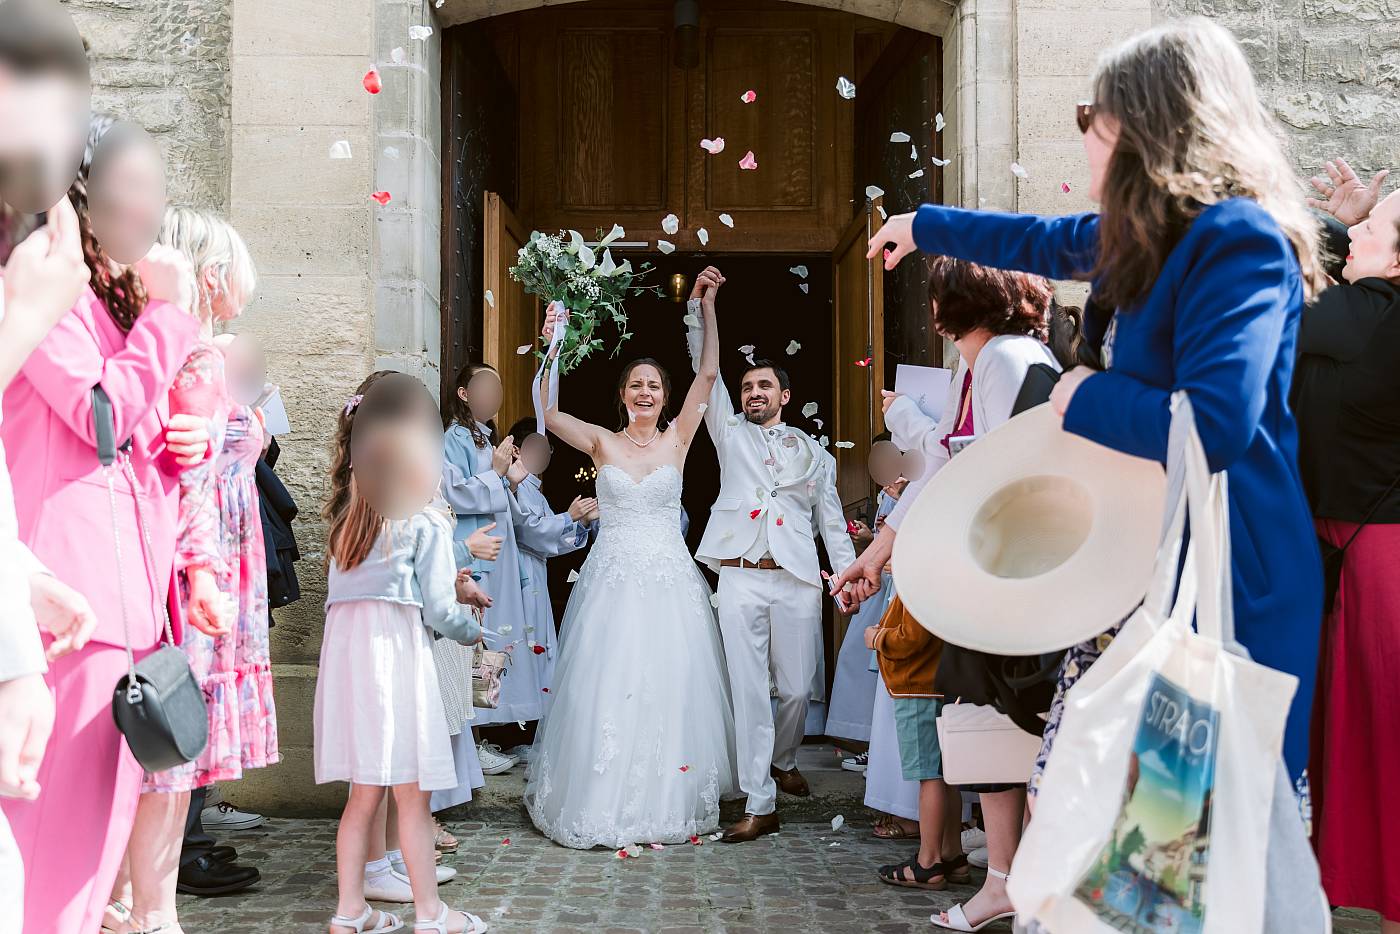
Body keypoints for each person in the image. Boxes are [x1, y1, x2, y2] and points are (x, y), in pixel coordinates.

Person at [860, 17, 1325, 793]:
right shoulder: (1145, 237)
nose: (1083, 135)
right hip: (1138, 568)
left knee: (1170, 857)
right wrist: (923, 225)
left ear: (1145, 125)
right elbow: (1039, 239)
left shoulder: (1238, 239)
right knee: (1097, 832)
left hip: (1218, 581)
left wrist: (1086, 397)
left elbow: (1214, 425)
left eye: (1090, 116)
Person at [1, 114, 206, 934]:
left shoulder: (111, 305)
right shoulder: (38, 285)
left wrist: (180, 439)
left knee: (93, 857)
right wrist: (170, 314)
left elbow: (130, 440)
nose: (152, 210)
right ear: (83, 189)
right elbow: (94, 418)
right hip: (64, 606)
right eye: (136, 187)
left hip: (128, 616)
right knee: (49, 855)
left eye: (160, 191)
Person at [523, 267, 737, 849]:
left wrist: (706, 308)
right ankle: (598, 801)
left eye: (655, 387)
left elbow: (711, 373)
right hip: (612, 582)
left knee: (669, 685)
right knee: (608, 684)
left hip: (670, 582)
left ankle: (667, 798)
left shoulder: (678, 440)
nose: (645, 393)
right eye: (636, 385)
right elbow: (546, 410)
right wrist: (554, 343)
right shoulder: (601, 441)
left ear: (665, 398)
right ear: (622, 395)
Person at [107, 209, 268, 930]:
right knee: (161, 750)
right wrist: (203, 574)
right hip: (185, 571)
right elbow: (187, 475)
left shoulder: (206, 351)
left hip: (214, 565)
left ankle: (148, 905)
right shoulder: (183, 352)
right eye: (234, 274)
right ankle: (141, 908)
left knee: (175, 754)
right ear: (210, 273)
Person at [681, 277, 857, 843]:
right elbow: (704, 376)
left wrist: (852, 572)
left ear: (784, 394)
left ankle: (784, 759)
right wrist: (701, 312)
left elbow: (830, 521)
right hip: (738, 577)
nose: (753, 392)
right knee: (750, 689)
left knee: (799, 686)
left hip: (798, 578)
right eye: (747, 385)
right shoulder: (728, 432)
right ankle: (761, 801)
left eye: (763, 386)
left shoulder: (815, 454)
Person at [315, 371, 489, 934]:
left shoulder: (346, 527)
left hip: (351, 674)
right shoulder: (422, 526)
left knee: (361, 799)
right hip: (397, 668)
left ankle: (349, 912)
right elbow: (439, 611)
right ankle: (431, 914)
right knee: (412, 799)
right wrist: (472, 630)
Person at [1293, 157, 1400, 931]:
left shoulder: (1361, 315)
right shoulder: (1362, 313)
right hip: (1353, 549)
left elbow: (1293, 307)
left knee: (1377, 734)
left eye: (1369, 228)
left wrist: (1334, 238)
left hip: (1373, 556)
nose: (1352, 232)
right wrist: (1358, 223)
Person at [440, 362, 531, 778]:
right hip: (473, 553)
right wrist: (495, 472)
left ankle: (478, 740)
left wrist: (510, 481)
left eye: (499, 386)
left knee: (490, 645)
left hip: (496, 549)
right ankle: (471, 744)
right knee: (471, 649)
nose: (495, 394)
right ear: (463, 393)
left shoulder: (487, 435)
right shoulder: (455, 438)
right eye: (485, 386)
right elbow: (455, 492)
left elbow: (495, 494)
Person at [867, 595, 967, 893]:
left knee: (930, 776)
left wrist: (877, 638)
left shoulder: (921, 580)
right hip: (941, 683)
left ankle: (928, 862)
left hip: (918, 686)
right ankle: (952, 854)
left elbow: (910, 638)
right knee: (947, 775)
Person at [503, 416, 597, 687]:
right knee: (521, 640)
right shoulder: (514, 486)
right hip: (518, 571)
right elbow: (527, 530)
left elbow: (549, 540)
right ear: (518, 450)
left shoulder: (536, 491)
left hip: (535, 571)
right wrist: (568, 517)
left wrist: (581, 523)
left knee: (538, 641)